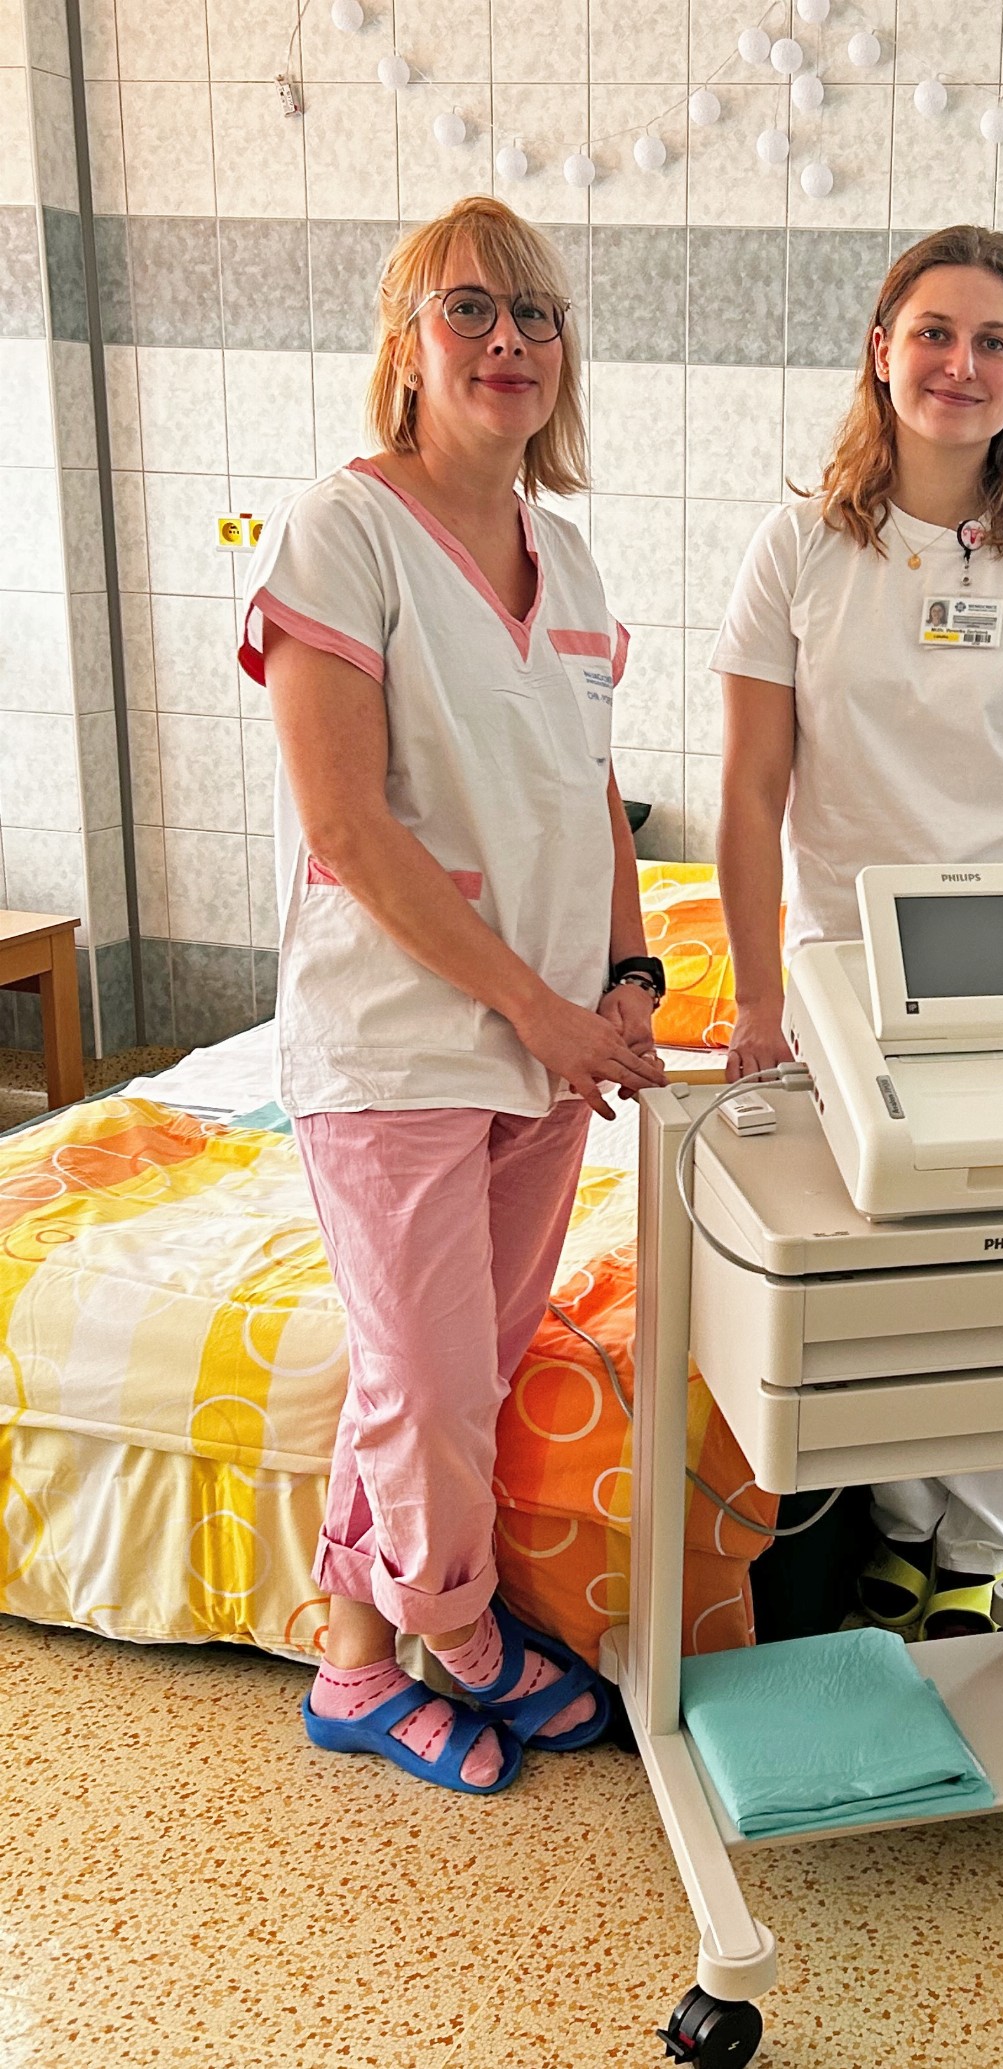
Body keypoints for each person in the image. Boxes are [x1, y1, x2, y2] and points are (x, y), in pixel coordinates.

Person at [242, 197, 667, 1791]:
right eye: (471, 310)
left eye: (536, 314)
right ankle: (458, 1629)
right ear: (408, 344)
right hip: (397, 1038)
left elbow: (595, 790)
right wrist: (543, 1012)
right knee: (423, 1383)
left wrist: (626, 976)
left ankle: (360, 1662)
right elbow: (348, 825)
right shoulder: (342, 532)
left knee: (456, 1377)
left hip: (544, 1044)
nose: (508, 341)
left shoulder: (572, 561)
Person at [712, 225, 1003, 1641]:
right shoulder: (798, 546)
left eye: (993, 342)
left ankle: (969, 1552)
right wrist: (757, 996)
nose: (960, 365)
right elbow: (751, 788)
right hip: (845, 975)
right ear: (882, 351)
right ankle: (897, 1534)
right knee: (878, 1266)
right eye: (934, 333)